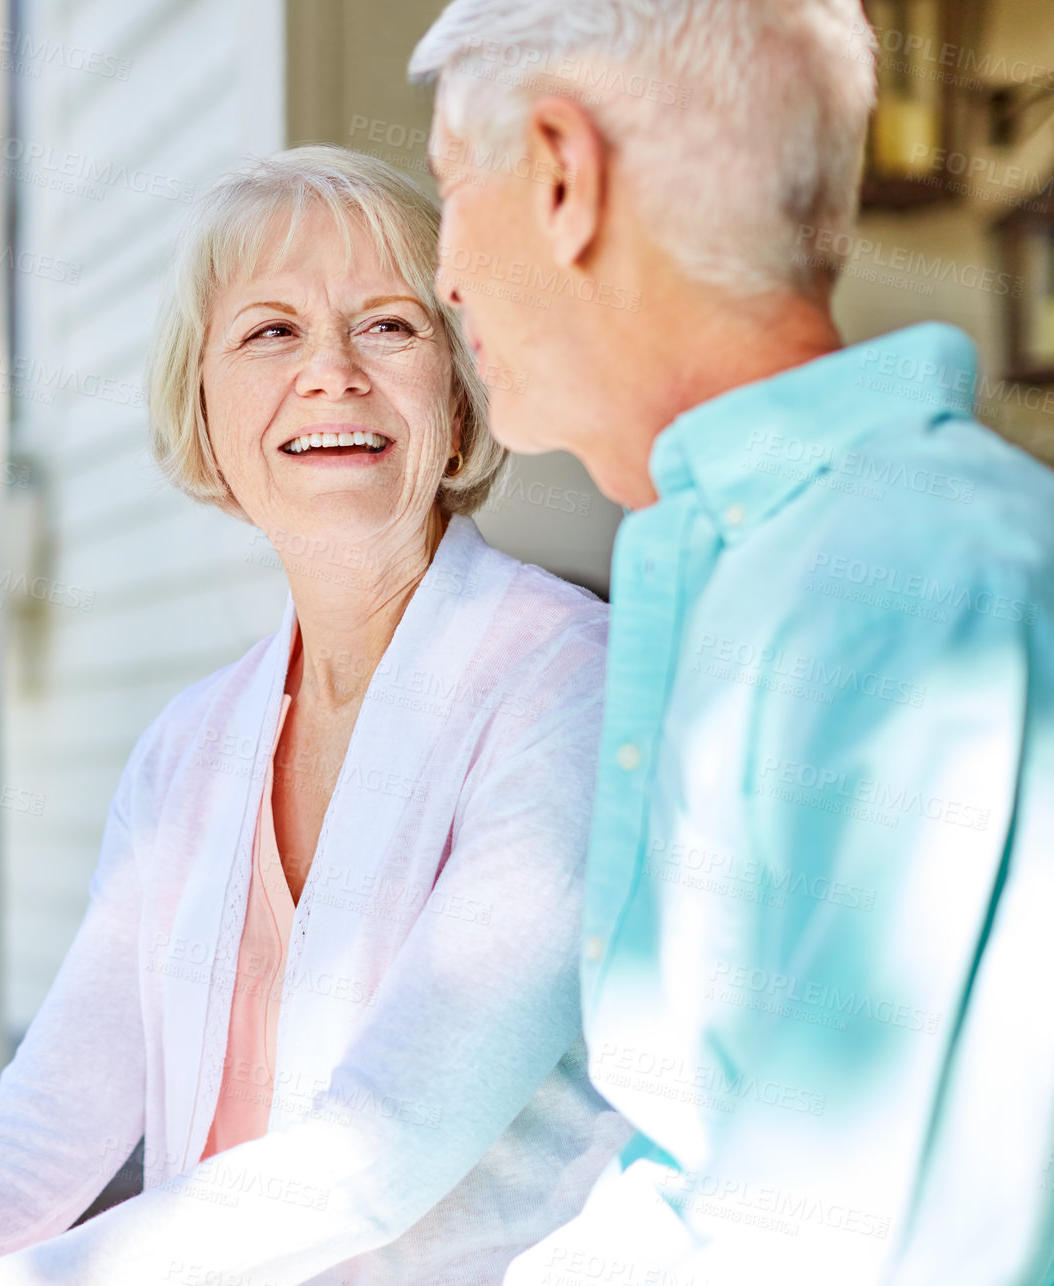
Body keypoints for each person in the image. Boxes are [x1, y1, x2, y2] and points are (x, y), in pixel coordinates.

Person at [0, 145, 630, 1286]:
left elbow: (379, 1154)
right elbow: (29, 1151)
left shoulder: (560, 683)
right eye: (270, 332)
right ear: (205, 419)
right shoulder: (190, 751)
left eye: (390, 326)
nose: (332, 373)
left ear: (458, 405)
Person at [409, 3, 1054, 1284]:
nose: (444, 273)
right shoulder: (729, 563)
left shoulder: (922, 589)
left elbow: (808, 1240)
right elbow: (690, 1172)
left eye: (447, 189)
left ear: (559, 172)